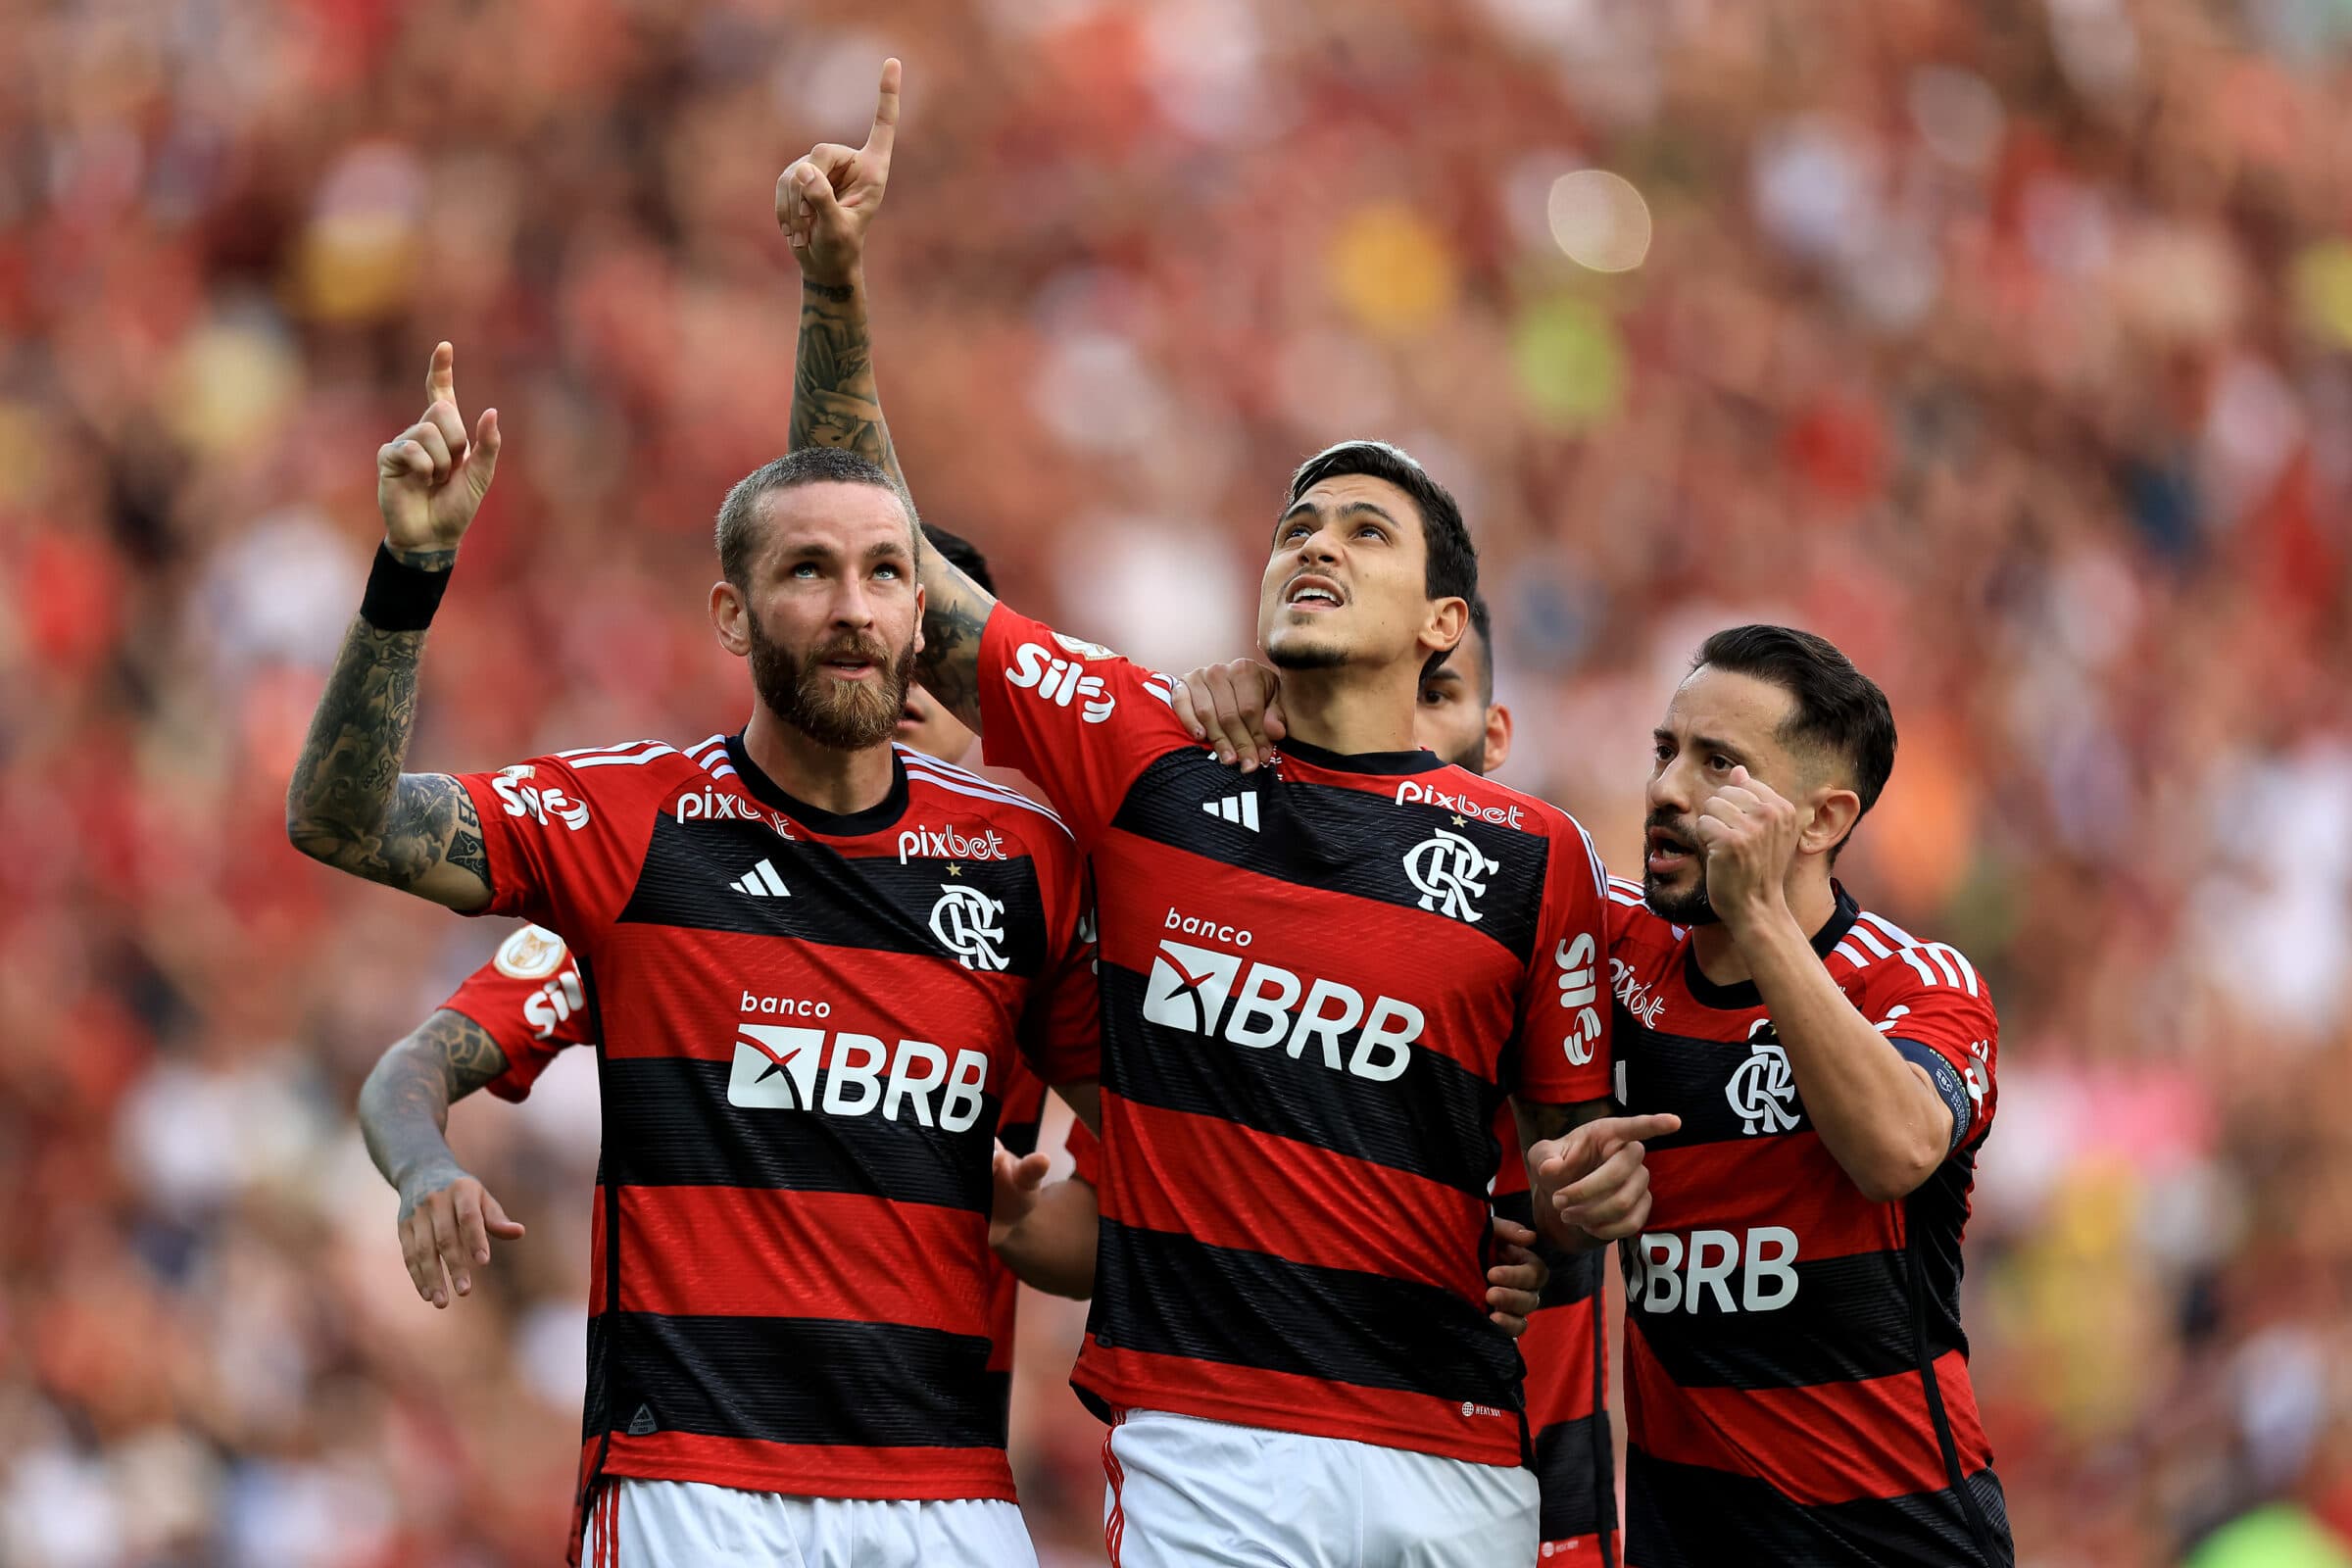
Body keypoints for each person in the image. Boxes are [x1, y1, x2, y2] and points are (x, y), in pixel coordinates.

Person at [776, 60, 1673, 1567]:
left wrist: (1590, 1202)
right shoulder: (1150, 761)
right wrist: (835, 290)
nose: (1314, 546)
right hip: (1212, 1451)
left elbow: (1567, 1168)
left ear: (1443, 624)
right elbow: (883, 563)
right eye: (1295, 528)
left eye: (1364, 533)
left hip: (1458, 1457)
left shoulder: (1539, 863)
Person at [286, 346, 1101, 1568]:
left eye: (887, 576)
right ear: (731, 612)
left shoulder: (1025, 861)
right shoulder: (635, 833)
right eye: (810, 572)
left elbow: (1173, 1141)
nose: (854, 610)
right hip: (696, 1481)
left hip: (946, 1488)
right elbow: (345, 832)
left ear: (922, 627)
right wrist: (413, 566)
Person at [1176, 627, 2014, 1566]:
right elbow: (1412, 859)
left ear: (1819, 822)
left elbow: (1894, 1151)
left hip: (1895, 1545)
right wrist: (1279, 711)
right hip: (1680, 1542)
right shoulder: (1607, 946)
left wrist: (1761, 920)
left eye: (1719, 765)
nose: (1665, 790)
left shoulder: (1914, 983)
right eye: (1665, 752)